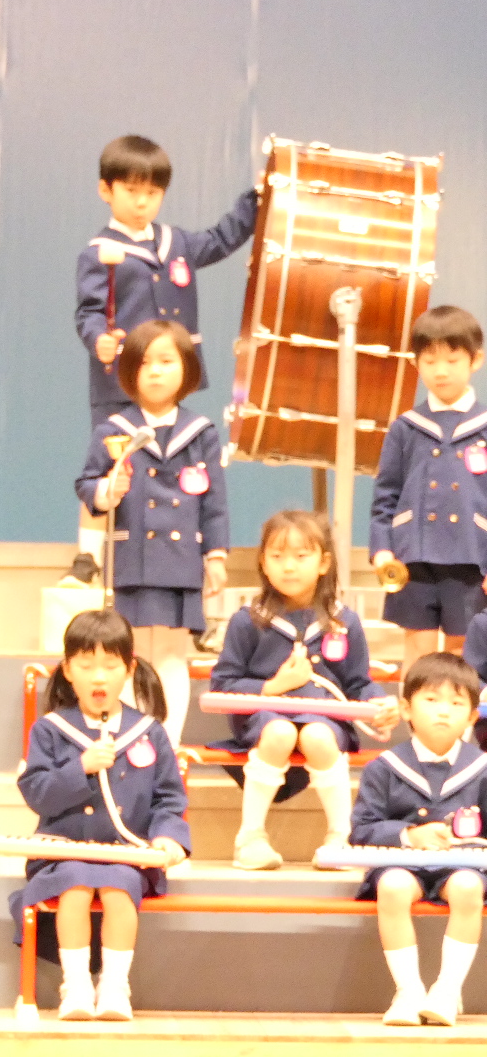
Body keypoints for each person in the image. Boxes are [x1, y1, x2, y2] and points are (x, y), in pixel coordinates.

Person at [62, 136, 257, 591]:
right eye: (131, 191)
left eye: (152, 193)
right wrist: (99, 341)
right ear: (106, 190)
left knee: (171, 467)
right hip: (119, 382)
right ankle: (87, 558)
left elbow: (222, 238)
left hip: (169, 380)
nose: (142, 202)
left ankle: (166, 557)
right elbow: (88, 313)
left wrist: (257, 200)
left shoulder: (177, 243)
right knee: (106, 466)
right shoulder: (97, 252)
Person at [11, 609, 190, 1021]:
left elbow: (168, 798)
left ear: (129, 669)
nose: (98, 677)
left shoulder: (149, 731)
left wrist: (168, 837)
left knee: (118, 887)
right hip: (64, 852)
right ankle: (75, 987)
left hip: (126, 854)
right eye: (86, 665)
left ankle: (114, 987)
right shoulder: (50, 730)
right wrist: (81, 768)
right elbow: (36, 793)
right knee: (74, 886)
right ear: (67, 670)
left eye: (110, 665)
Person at [209, 511, 397, 870]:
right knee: (279, 732)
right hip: (264, 717)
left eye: (301, 556)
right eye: (277, 556)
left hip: (325, 717)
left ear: (323, 562)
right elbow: (224, 684)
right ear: (262, 562)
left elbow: (358, 682)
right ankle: (250, 838)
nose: (288, 566)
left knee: (318, 736)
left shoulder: (344, 621)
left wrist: (378, 703)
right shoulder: (247, 620)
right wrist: (273, 687)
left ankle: (341, 836)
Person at [74, 320, 228, 743]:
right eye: (144, 363)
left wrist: (216, 556)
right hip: (133, 558)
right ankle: (132, 741)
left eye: (166, 361)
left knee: (173, 655)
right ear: (129, 372)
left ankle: (167, 747)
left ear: (187, 368)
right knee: (132, 654)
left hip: (181, 562)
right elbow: (86, 485)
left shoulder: (201, 433)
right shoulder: (113, 430)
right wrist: (109, 490)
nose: (155, 371)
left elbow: (215, 502)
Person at [350, 652, 487, 1026]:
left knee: (468, 887)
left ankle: (447, 991)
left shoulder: (481, 768)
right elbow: (362, 829)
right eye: (431, 699)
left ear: (472, 717)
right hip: (401, 862)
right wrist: (409, 835)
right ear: (406, 709)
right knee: (393, 886)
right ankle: (408, 991)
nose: (443, 711)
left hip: (463, 866)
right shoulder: (384, 767)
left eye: (456, 703)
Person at [370, 306, 487, 673]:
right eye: (430, 360)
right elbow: (385, 497)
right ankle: (413, 712)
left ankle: (459, 713)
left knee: (463, 651)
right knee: (416, 648)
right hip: (413, 558)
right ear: (415, 364)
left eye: (452, 360)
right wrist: (382, 550)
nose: (441, 371)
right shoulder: (406, 427)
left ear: (476, 360)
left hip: (472, 558)